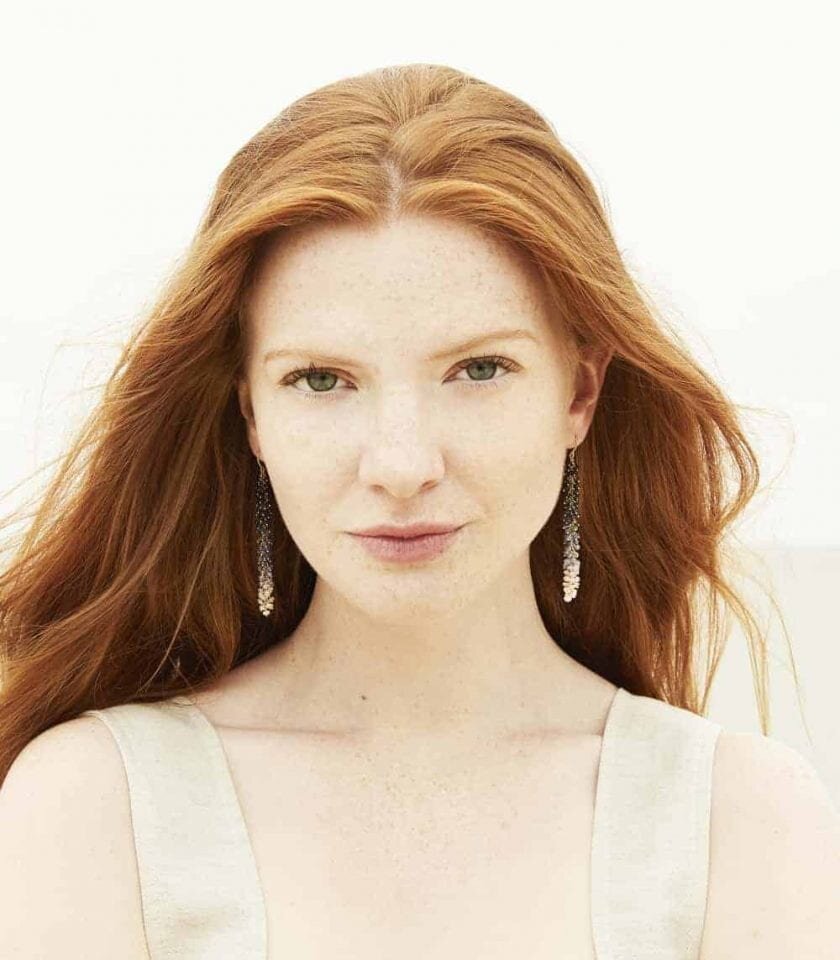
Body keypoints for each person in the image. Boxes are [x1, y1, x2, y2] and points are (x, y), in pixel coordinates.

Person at [0, 63, 837, 959]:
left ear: (580, 393)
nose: (402, 466)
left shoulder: (741, 822)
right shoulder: (99, 806)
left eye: (479, 370)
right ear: (251, 414)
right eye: (320, 380)